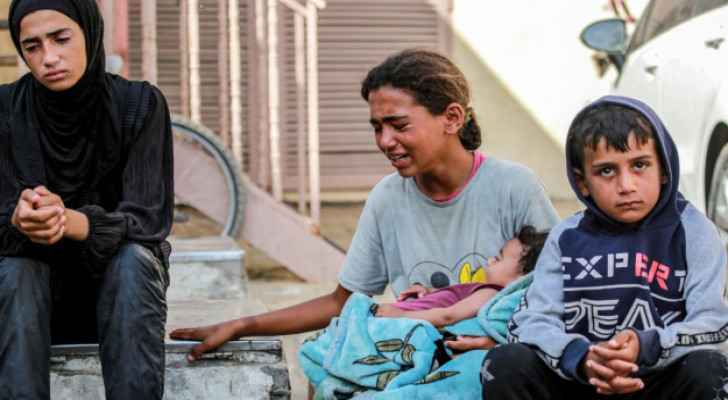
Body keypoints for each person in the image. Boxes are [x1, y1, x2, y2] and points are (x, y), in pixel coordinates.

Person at [170, 49, 559, 360]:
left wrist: (506, 343)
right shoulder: (388, 199)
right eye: (377, 127)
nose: (385, 141)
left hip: (493, 359)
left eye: (399, 125)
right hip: (412, 357)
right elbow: (344, 302)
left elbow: (560, 291)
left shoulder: (513, 187)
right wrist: (243, 325)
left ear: (452, 118)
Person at [481, 96, 728, 399]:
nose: (626, 185)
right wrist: (582, 358)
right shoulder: (566, 237)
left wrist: (646, 346)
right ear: (582, 182)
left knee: (709, 367)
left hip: (657, 381)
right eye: (607, 171)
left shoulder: (695, 231)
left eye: (640, 165)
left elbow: (713, 325)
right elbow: (529, 323)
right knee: (505, 363)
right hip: (582, 379)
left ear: (664, 169)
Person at [0, 1, 173, 399]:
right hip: (25, 306)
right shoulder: (6, 111)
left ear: (89, 32)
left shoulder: (140, 105)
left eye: (61, 39)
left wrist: (71, 222)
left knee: (132, 259)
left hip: (124, 301)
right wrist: (18, 219)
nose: (49, 58)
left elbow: (148, 221)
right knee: (14, 268)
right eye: (32, 46)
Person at [375, 225, 548, 328]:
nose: (490, 260)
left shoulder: (490, 295)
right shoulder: (482, 289)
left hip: (398, 321)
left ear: (520, 280)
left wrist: (401, 316)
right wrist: (427, 291)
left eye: (499, 258)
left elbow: (449, 315)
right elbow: (452, 297)